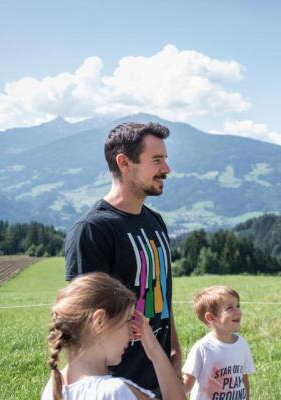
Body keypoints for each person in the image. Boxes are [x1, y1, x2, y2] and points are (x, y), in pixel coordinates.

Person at [64, 122, 181, 395]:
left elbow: (162, 292)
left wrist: (173, 348)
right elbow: (82, 321)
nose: (166, 169)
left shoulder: (155, 222)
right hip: (119, 386)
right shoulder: (93, 231)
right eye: (157, 160)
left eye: (165, 159)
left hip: (161, 375)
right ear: (124, 162)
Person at [42, 272, 185, 400]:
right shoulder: (116, 392)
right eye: (127, 320)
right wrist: (154, 350)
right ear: (99, 322)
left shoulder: (54, 388)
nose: (131, 335)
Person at [182, 286, 255, 400]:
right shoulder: (202, 348)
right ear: (210, 317)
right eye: (230, 307)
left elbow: (243, 378)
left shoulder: (242, 344)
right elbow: (186, 385)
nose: (238, 311)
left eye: (238, 306)